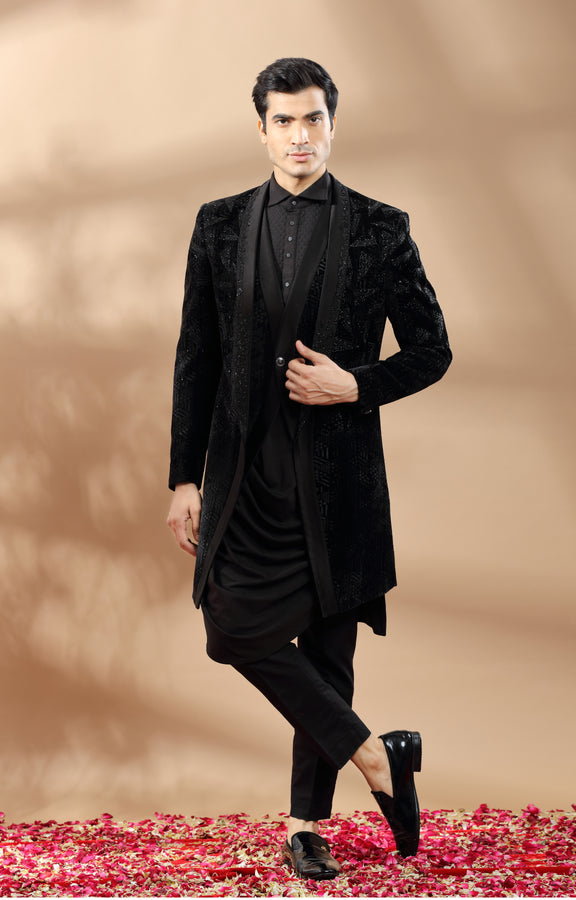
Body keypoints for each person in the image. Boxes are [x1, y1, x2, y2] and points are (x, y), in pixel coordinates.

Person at [167, 57, 451, 881]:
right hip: (244, 476)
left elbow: (432, 350)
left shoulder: (380, 228)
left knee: (329, 658)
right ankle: (379, 757)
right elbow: (196, 358)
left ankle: (306, 828)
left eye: (313, 119)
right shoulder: (219, 225)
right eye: (284, 121)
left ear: (333, 124)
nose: (300, 135)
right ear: (262, 130)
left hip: (338, 484)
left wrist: (354, 385)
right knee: (231, 626)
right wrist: (184, 478)